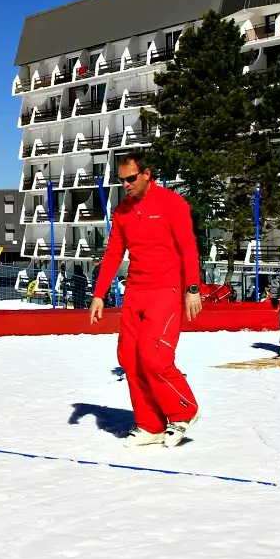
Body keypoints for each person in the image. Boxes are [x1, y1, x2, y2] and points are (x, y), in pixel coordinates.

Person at [88, 152, 203, 448]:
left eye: (130, 178)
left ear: (146, 174)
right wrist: (99, 294)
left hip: (167, 290)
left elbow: (188, 246)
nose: (125, 184)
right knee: (129, 357)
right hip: (135, 292)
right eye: (121, 180)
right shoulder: (123, 211)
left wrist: (192, 288)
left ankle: (183, 411)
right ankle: (150, 424)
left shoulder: (172, 204)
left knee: (155, 357)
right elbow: (114, 253)